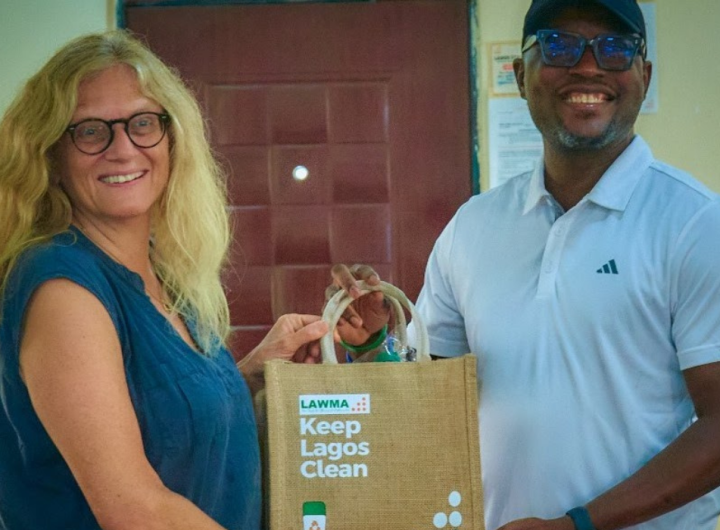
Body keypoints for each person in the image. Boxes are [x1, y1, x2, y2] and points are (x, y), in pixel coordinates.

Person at [330, 1, 720, 529]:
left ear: (643, 77)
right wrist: (374, 342)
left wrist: (578, 525)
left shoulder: (695, 224)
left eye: (614, 49)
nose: (587, 67)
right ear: (519, 74)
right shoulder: (473, 228)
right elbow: (434, 404)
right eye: (559, 46)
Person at [0, 30, 329, 530]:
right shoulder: (61, 289)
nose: (123, 148)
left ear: (172, 139)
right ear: (52, 155)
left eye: (143, 123)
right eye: (90, 131)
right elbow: (134, 510)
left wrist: (248, 376)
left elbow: (155, 423)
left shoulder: (164, 274)